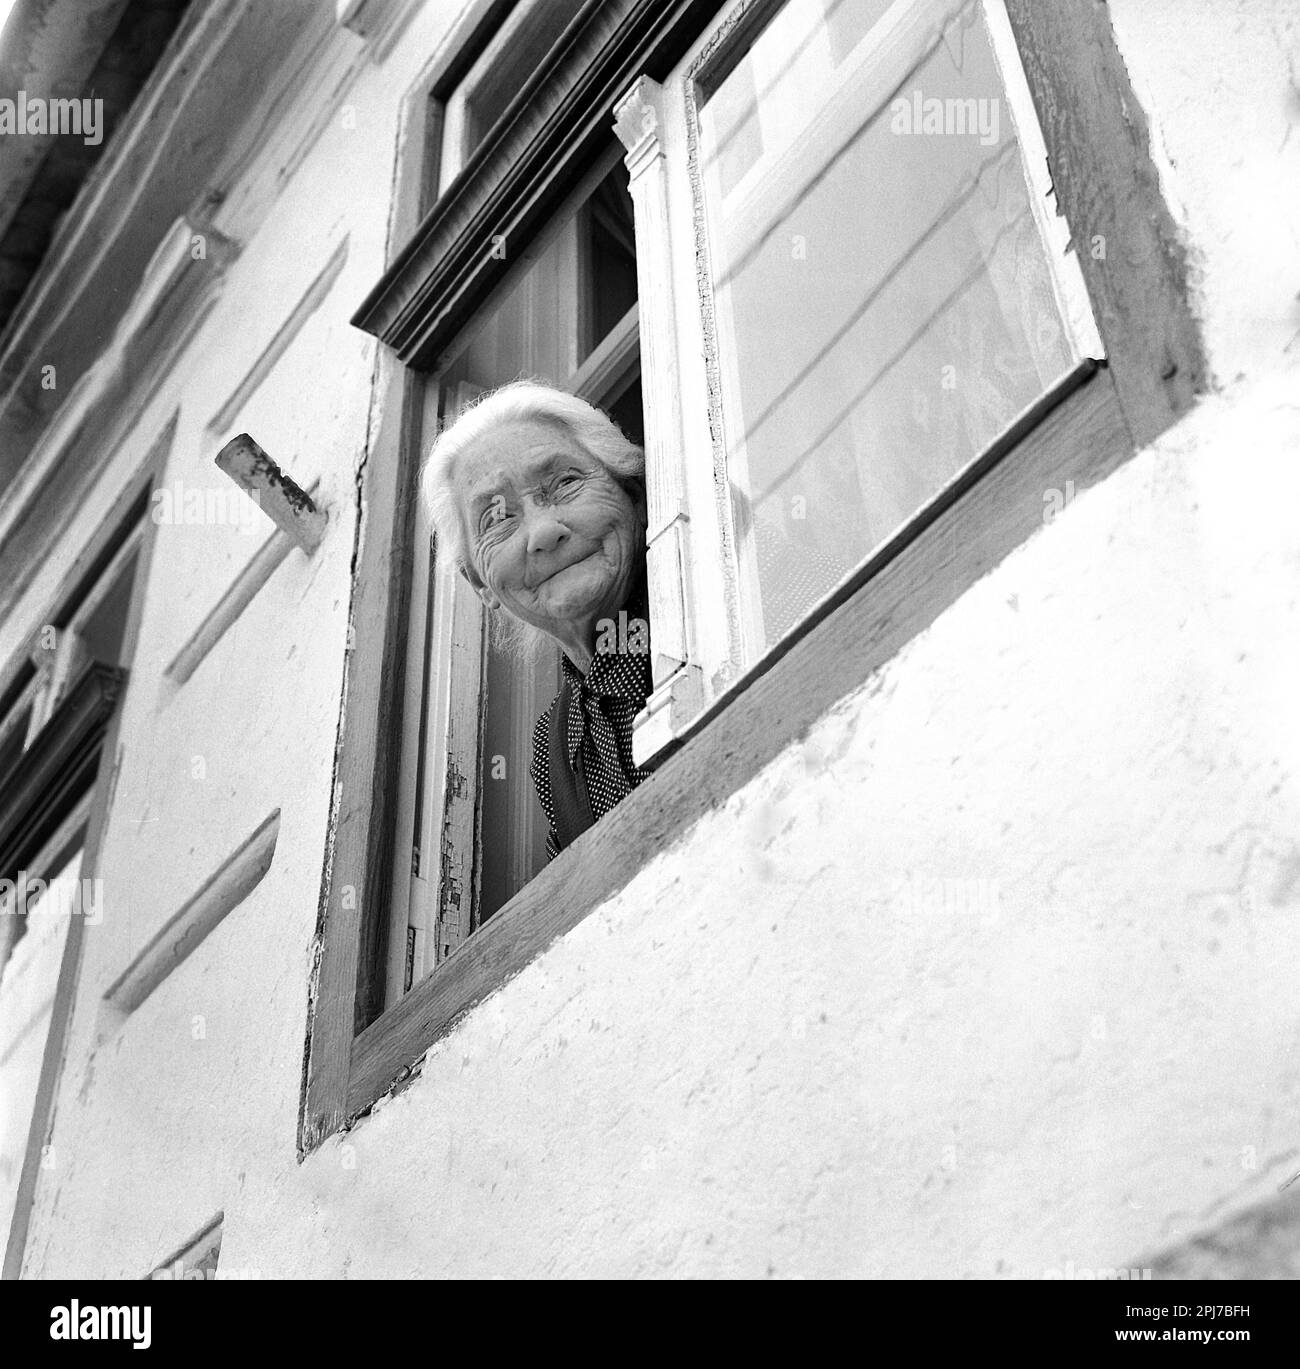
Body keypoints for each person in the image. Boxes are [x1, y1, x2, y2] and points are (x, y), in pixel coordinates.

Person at [422, 380, 652, 859]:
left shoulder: (735, 591)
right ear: (481, 583)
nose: (543, 533)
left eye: (564, 483)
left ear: (633, 493)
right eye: (497, 518)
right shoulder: (555, 749)